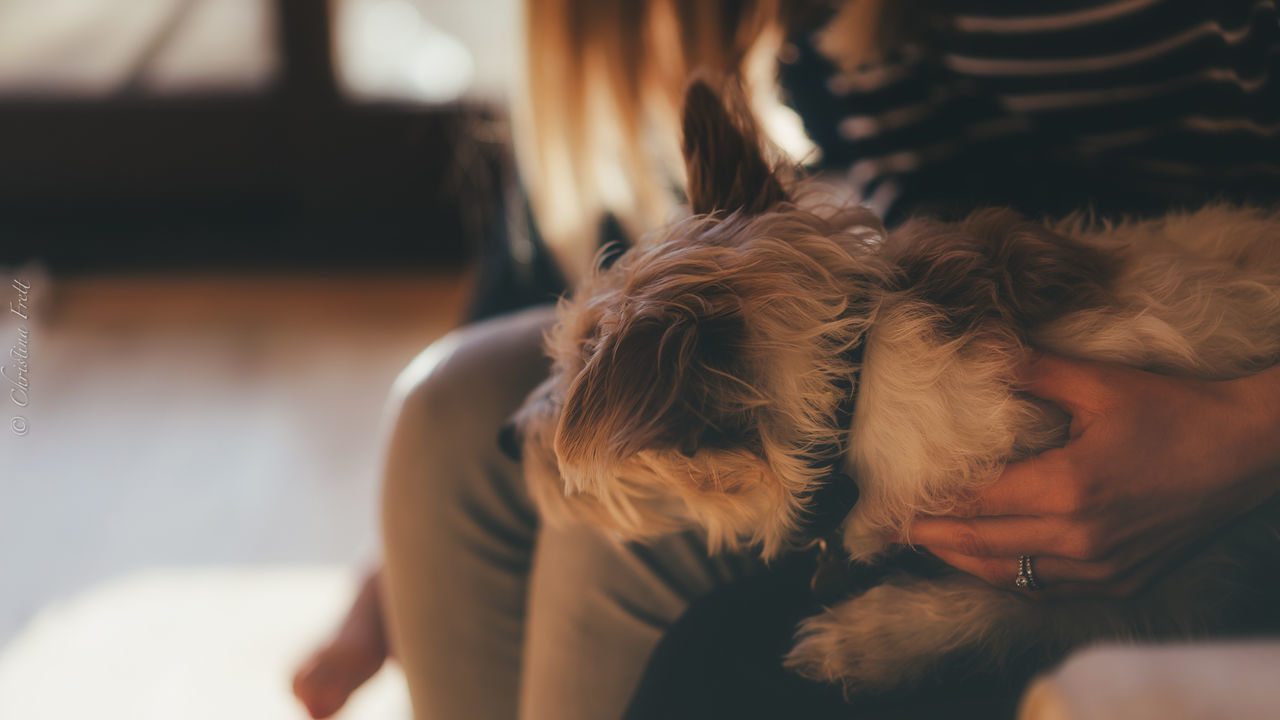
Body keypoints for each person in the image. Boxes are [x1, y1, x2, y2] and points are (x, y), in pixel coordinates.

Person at [294, 1, 1280, 718]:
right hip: (916, 284)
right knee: (448, 420)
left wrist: (1237, 436)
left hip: (1222, 365)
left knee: (608, 553)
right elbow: (582, 217)